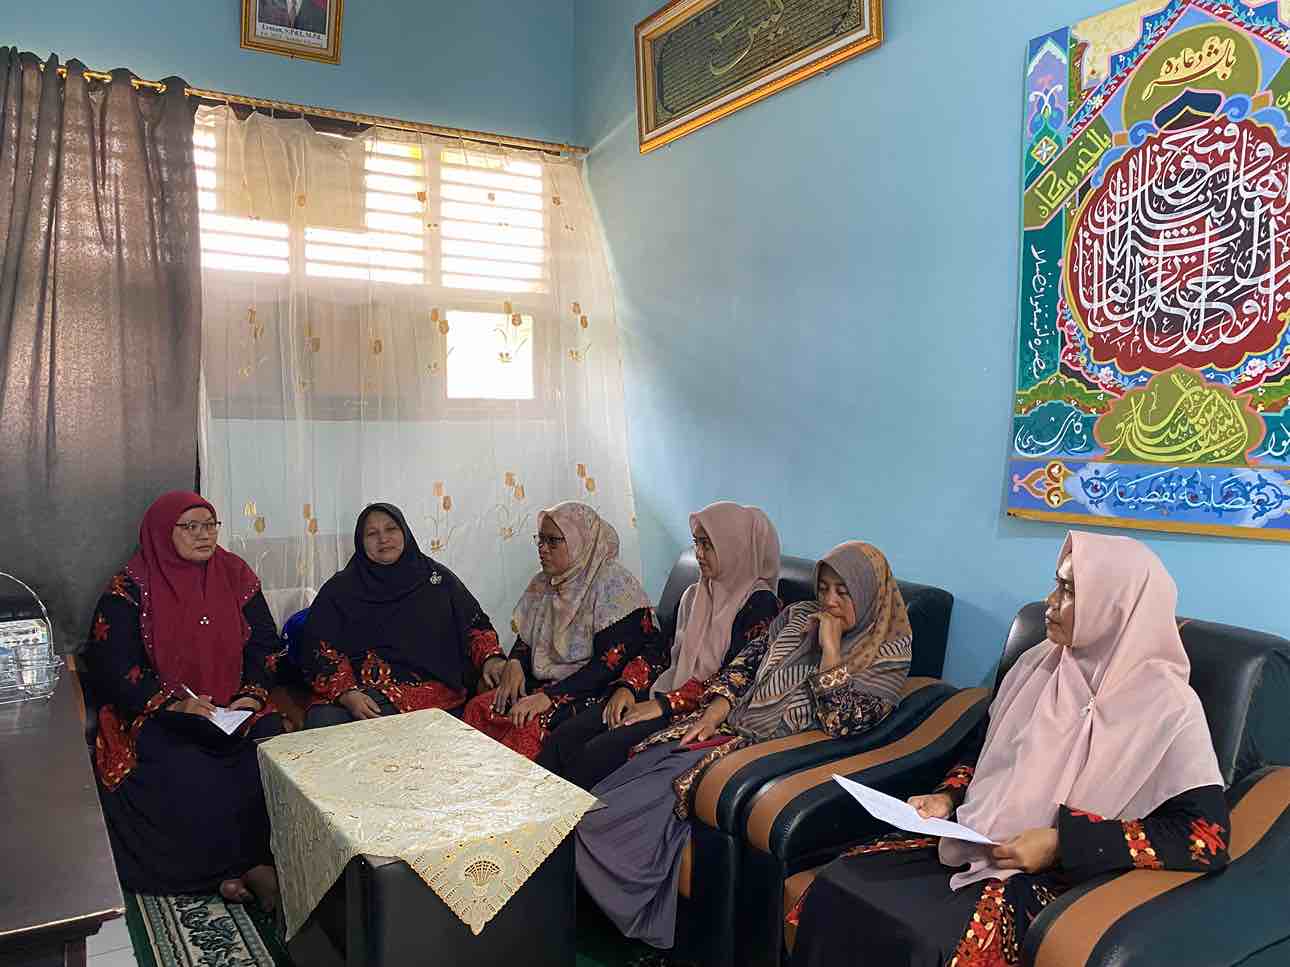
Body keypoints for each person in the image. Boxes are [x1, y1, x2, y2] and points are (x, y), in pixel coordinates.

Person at [788, 532, 1231, 967]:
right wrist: (949, 797)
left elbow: (1204, 838)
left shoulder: (1170, 707)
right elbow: (986, 748)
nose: (1049, 602)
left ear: (1115, 608)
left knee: (933, 942)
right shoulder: (1037, 663)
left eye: (1068, 589)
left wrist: (1062, 844)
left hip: (1055, 874)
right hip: (974, 837)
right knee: (840, 884)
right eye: (1057, 584)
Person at [577, 541, 913, 950]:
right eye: (823, 588)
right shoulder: (796, 615)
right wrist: (713, 712)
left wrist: (830, 651)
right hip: (731, 730)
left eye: (843, 592)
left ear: (867, 592)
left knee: (631, 813)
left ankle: (632, 913)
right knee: (608, 796)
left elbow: (843, 723)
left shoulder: (888, 652)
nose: (828, 601)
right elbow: (745, 665)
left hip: (770, 757)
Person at [83, 491, 285, 908]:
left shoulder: (235, 573)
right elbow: (111, 664)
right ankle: (228, 872)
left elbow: (264, 643)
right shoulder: (129, 587)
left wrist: (250, 695)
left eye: (209, 525)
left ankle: (258, 863)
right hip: (160, 711)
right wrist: (174, 704)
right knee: (185, 764)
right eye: (190, 526)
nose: (203, 535)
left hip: (234, 705)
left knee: (269, 746)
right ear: (161, 532)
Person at [537, 501, 781, 789]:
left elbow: (737, 677)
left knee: (596, 755)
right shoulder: (694, 594)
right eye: (696, 544)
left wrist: (664, 705)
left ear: (734, 547)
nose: (699, 554)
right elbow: (661, 650)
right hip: (662, 693)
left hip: (702, 710)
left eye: (708, 545)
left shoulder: (759, 604)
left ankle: (564, 832)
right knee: (565, 737)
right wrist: (627, 687)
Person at [463, 502, 662, 760]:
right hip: (546, 683)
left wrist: (549, 697)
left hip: (593, 689)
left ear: (581, 542)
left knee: (526, 727)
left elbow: (607, 666)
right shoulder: (545, 583)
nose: (543, 550)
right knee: (479, 708)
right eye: (540, 540)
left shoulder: (615, 587)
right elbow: (529, 637)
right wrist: (514, 663)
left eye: (553, 541)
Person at [300, 503, 503, 727]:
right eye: (372, 533)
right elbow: (317, 644)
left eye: (391, 529)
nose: (383, 539)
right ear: (361, 541)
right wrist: (347, 694)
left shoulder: (436, 580)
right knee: (322, 721)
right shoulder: (340, 589)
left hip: (429, 692)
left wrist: (491, 659)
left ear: (404, 532)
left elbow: (475, 626)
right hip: (357, 691)